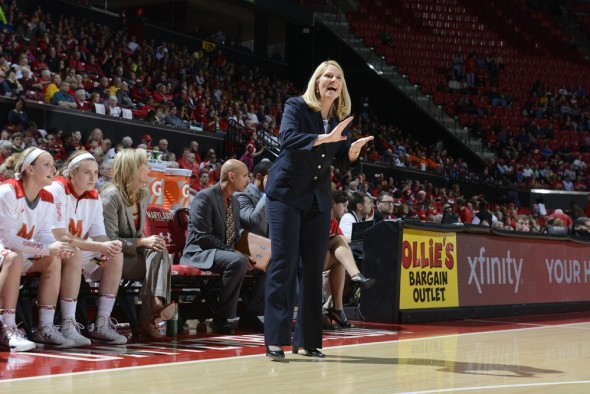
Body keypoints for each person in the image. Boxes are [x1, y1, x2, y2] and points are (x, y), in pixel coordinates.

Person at [263, 60, 373, 360]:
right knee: (284, 264)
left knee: (313, 268)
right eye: (327, 75)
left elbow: (336, 162)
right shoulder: (297, 106)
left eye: (338, 76)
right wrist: (324, 138)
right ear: (317, 81)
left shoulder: (339, 117)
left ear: (341, 88)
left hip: (318, 200)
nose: (333, 79)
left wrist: (350, 154)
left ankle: (309, 341)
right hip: (285, 194)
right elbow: (286, 139)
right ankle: (275, 338)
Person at [0, 147, 78, 351]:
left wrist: (55, 248)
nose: (54, 168)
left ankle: (45, 326)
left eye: (53, 164)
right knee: (14, 257)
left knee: (54, 259)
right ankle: (6, 327)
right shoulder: (7, 192)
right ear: (29, 169)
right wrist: (47, 247)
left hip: (18, 251)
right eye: (47, 164)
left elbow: (44, 234)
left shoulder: (47, 197)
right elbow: (6, 238)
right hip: (5, 249)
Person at [46, 151, 127, 344]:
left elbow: (100, 235)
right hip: (52, 251)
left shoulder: (94, 196)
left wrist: (110, 246)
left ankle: (102, 323)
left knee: (115, 255)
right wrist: (101, 245)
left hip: (76, 252)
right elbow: (60, 236)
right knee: (75, 252)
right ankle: (67, 323)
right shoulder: (56, 189)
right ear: (71, 174)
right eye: (87, 172)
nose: (93, 177)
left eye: (96, 172)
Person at [181, 159, 263, 334]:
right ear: (231, 176)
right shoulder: (204, 197)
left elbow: (233, 236)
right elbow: (202, 237)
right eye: (244, 176)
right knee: (238, 261)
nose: (248, 180)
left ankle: (250, 314)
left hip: (225, 253)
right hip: (201, 252)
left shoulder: (235, 202)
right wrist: (233, 251)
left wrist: (251, 251)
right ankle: (221, 318)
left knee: (268, 263)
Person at [101, 149, 175, 339]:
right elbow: (110, 239)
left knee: (160, 250)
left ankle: (152, 308)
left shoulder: (143, 194)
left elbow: (138, 232)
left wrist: (148, 243)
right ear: (132, 169)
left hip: (132, 256)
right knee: (155, 252)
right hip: (111, 258)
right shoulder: (111, 197)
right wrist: (142, 241)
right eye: (145, 164)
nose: (150, 168)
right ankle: (153, 310)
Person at [323, 190, 375, 330]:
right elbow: (342, 240)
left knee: (340, 260)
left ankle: (338, 309)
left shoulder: (334, 222)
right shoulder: (320, 218)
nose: (346, 209)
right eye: (344, 205)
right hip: (308, 258)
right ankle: (356, 275)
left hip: (322, 260)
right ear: (333, 203)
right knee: (338, 241)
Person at [235, 160, 271, 236]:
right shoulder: (242, 193)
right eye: (272, 177)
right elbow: (253, 220)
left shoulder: (272, 195)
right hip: (249, 245)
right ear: (259, 177)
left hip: (268, 244)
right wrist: (267, 192)